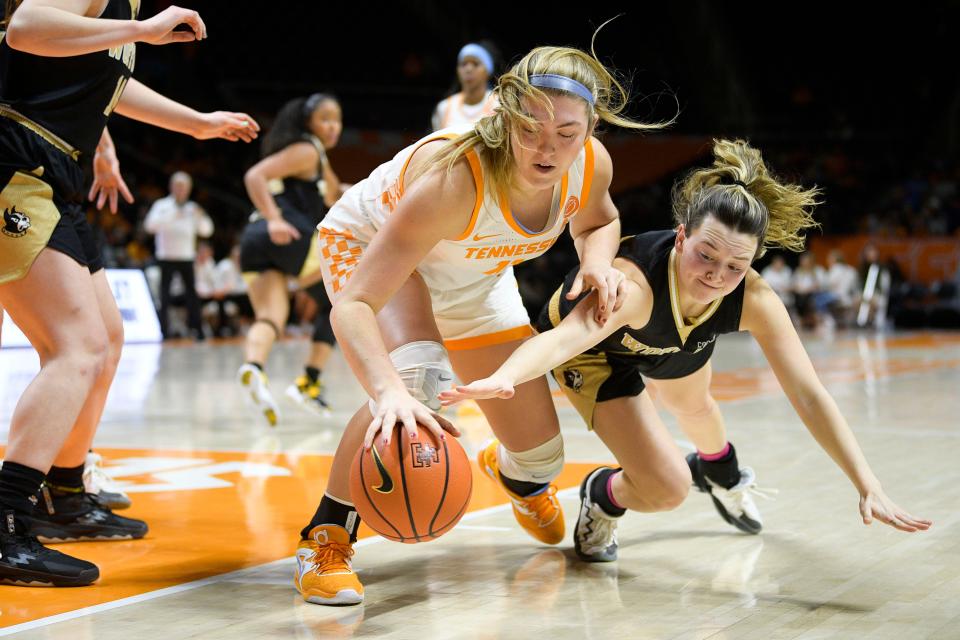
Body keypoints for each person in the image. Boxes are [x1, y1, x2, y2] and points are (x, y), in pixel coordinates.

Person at [294, 42, 670, 606]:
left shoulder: (590, 163)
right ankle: (326, 538)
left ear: (590, 127)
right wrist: (388, 391)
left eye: (567, 133)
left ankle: (514, 476)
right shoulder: (454, 179)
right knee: (414, 386)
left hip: (474, 273)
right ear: (503, 115)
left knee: (544, 459)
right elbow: (354, 305)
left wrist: (596, 262)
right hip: (376, 250)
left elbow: (601, 221)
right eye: (531, 129)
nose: (548, 149)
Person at [440, 139, 931, 566]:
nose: (717, 275)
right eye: (705, 255)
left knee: (697, 406)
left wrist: (866, 482)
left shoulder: (754, 297)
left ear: (753, 262)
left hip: (666, 337)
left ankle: (722, 469)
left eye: (735, 265)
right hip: (596, 350)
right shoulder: (632, 289)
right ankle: (602, 496)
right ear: (681, 237)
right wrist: (506, 376)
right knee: (668, 489)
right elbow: (565, 340)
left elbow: (809, 394)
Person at [0, 0, 259, 588]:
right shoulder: (126, 11)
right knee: (77, 348)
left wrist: (196, 123)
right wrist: (142, 31)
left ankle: (64, 490)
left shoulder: (129, 10)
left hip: (58, 173)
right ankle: (8, 514)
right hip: (17, 167)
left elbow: (103, 82)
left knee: (107, 341)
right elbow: (25, 29)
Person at [236, 93, 343, 425]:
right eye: (325, 118)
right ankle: (309, 383)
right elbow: (254, 176)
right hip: (286, 234)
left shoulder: (316, 158)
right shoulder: (307, 150)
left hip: (254, 243)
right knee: (341, 304)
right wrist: (274, 219)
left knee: (271, 317)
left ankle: (254, 368)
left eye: (337, 119)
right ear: (308, 122)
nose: (333, 126)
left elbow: (335, 194)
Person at [143, 171, 212, 340]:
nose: (181, 190)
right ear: (172, 187)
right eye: (178, 186)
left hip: (186, 257)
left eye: (184, 187)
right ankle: (163, 331)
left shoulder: (192, 208)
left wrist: (200, 216)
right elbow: (149, 226)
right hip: (166, 256)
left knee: (192, 295)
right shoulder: (162, 206)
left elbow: (207, 230)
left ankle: (196, 330)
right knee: (164, 296)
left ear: (189, 189)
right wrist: (173, 215)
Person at [431, 41, 499, 131]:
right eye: (463, 64)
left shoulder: (499, 104)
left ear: (488, 71)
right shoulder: (444, 108)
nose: (468, 69)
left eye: (476, 64)